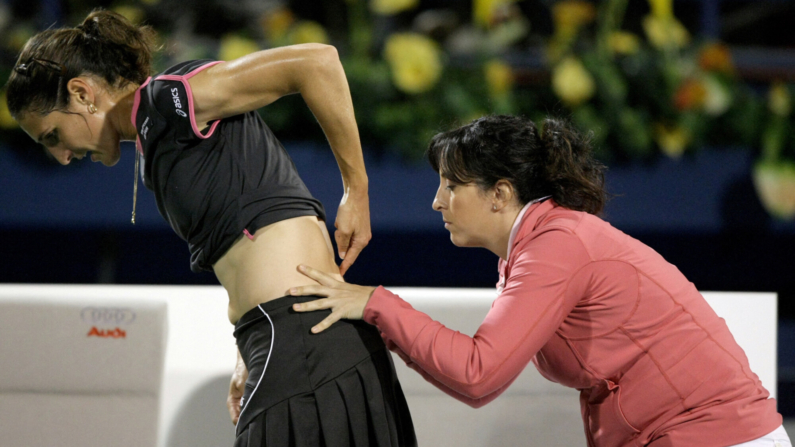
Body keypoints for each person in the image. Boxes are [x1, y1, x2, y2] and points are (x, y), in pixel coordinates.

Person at [5, 10, 415, 447]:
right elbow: (247, 238)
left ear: (82, 92)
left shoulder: (167, 100)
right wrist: (248, 349)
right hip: (287, 339)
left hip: (303, 342)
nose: (60, 155)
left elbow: (316, 62)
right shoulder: (157, 133)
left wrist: (356, 189)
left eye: (52, 136)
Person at [287, 115, 792, 447]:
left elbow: (477, 374)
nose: (436, 202)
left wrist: (375, 303)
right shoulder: (543, 241)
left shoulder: (556, 246)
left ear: (500, 193)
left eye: (451, 186)